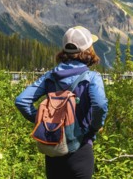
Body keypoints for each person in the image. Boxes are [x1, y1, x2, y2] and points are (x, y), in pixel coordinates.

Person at [15, 26, 108, 179]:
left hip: (54, 149)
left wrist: (44, 122)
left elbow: (22, 101)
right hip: (81, 150)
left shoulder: (50, 75)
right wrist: (95, 127)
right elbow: (100, 104)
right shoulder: (92, 77)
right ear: (88, 50)